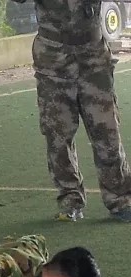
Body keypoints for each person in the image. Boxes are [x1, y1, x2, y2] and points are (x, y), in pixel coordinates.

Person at [13, 0, 131, 221]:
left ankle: (120, 200)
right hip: (53, 61)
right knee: (57, 134)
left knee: (107, 132)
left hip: (93, 57)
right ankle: (70, 200)